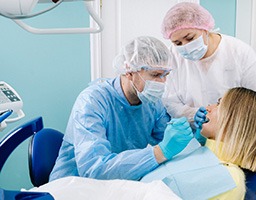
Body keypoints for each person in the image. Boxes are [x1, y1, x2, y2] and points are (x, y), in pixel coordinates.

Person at [49, 36, 193, 181]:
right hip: (74, 186)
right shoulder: (92, 102)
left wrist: (194, 133)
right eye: (155, 75)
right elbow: (94, 169)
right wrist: (159, 152)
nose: (162, 83)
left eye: (165, 75)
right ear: (129, 71)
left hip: (120, 183)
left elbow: (169, 138)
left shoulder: (152, 103)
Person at [141, 87, 256, 200]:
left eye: (219, 104)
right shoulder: (200, 150)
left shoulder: (231, 180)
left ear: (236, 122)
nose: (208, 108)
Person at [160, 2, 256, 127]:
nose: (185, 46)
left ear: (205, 29)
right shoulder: (173, 57)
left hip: (235, 133)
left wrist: (229, 120)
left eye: (190, 38)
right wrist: (192, 114)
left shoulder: (239, 52)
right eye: (177, 43)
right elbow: (170, 101)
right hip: (195, 134)